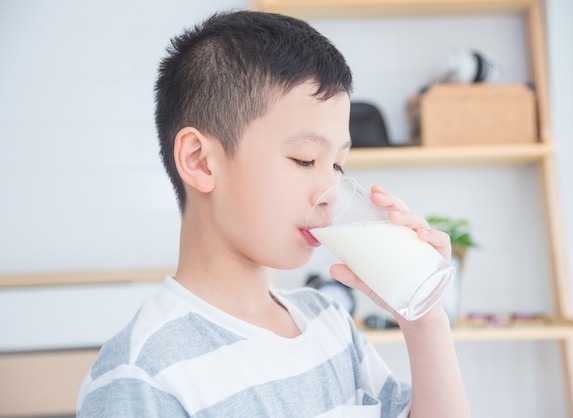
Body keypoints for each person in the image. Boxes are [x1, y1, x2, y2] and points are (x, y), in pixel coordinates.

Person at [77, 10, 470, 418]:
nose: (330, 193)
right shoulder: (144, 373)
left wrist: (425, 321)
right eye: (304, 160)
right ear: (200, 161)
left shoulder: (329, 324)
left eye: (337, 165)